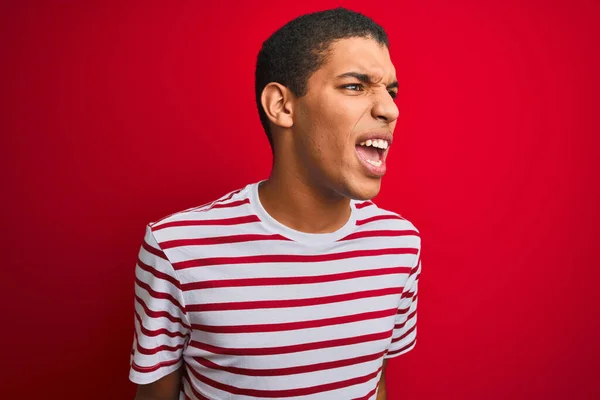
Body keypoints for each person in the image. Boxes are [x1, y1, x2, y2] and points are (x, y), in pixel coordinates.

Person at [129, 7, 422, 400]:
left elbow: (375, 384)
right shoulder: (176, 249)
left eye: (391, 91)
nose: (390, 108)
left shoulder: (399, 244)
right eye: (355, 86)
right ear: (283, 106)